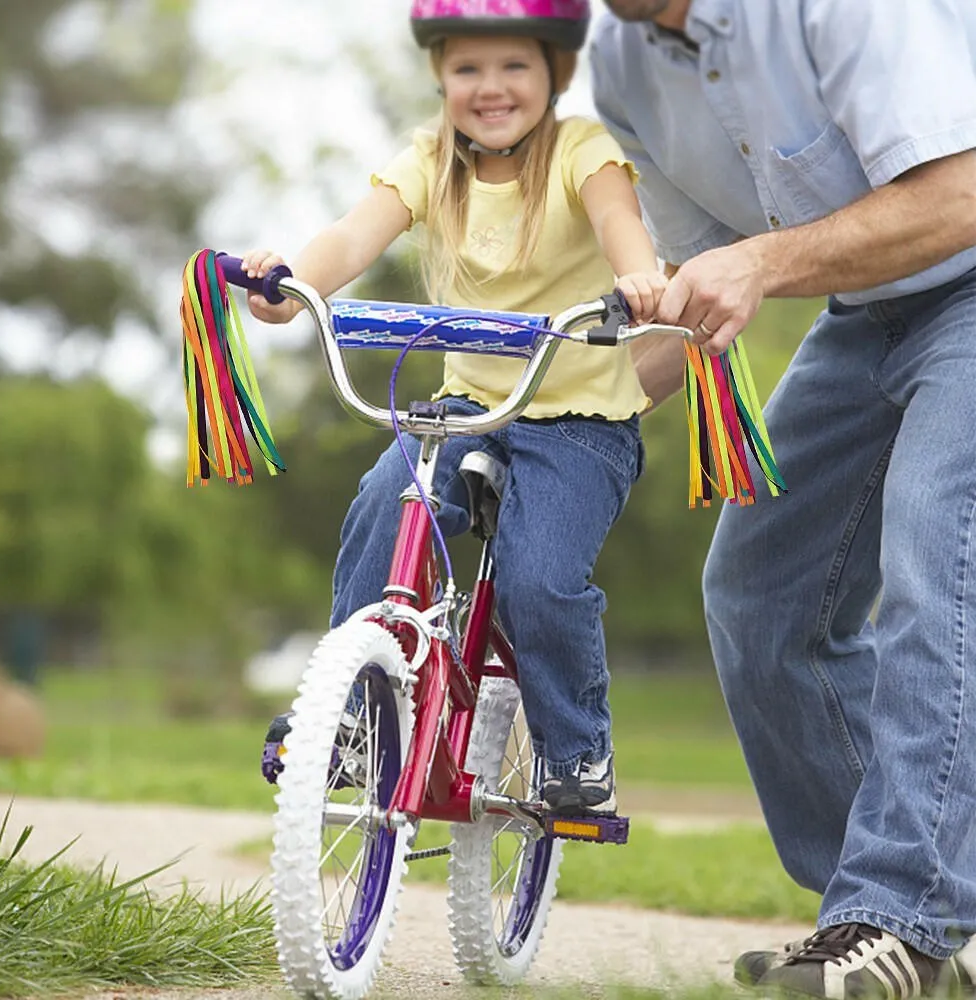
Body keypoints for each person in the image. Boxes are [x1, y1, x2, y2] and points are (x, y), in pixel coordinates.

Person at [591, 0, 976, 995]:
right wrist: (540, 415)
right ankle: (891, 912)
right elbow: (687, 292)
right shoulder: (618, 65)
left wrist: (760, 261)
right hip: (868, 310)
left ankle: (903, 915)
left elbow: (960, 192)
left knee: (936, 562)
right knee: (762, 594)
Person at [246, 0, 670, 816]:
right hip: (467, 406)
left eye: (515, 65)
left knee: (538, 579)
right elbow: (352, 236)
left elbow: (620, 220)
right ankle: (353, 722)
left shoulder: (582, 150)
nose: (490, 86)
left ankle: (577, 751)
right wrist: (292, 285)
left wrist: (639, 278)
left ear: (557, 71)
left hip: (580, 423)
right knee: (384, 507)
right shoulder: (431, 159)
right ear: (440, 76)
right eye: (467, 68)